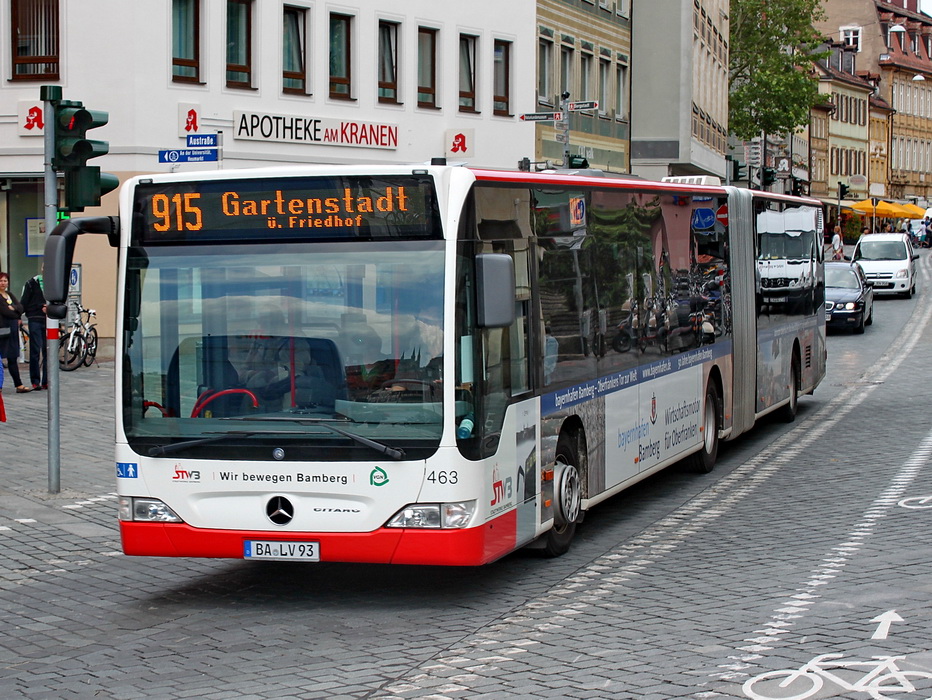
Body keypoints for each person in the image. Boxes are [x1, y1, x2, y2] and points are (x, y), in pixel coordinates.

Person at [0, 271, 32, 393]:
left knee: (12, 357)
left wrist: (15, 309)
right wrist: (15, 311)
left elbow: (21, 307)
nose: (3, 283)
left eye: (5, 280)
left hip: (12, 330)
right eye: (1, 280)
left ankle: (18, 385)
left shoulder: (9, 294)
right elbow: (5, 311)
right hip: (2, 330)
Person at [20, 269, 47, 390]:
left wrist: (50, 308)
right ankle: (35, 381)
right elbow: (24, 303)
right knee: (35, 351)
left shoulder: (53, 285)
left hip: (49, 321)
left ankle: (47, 380)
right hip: (35, 319)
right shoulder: (31, 283)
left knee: (48, 352)